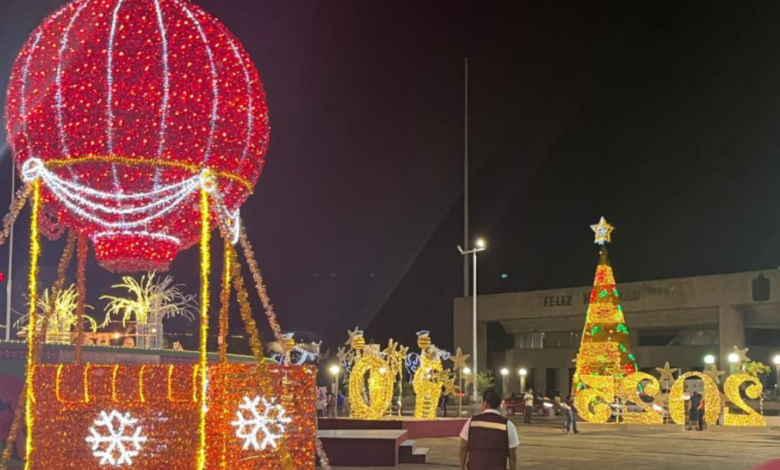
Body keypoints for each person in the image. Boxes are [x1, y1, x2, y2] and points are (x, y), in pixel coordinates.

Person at [459, 389, 518, 470]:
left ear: (485, 403)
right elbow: (512, 456)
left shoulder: (471, 422)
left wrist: (462, 468)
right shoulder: (508, 425)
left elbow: (463, 448)